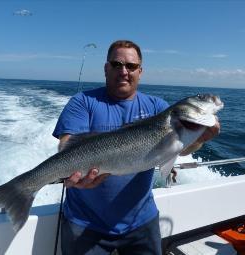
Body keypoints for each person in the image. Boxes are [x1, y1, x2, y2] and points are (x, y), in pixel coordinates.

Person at [53, 40, 220, 255]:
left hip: (141, 222)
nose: (124, 71)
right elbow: (67, 146)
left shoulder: (158, 108)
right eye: (117, 64)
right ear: (106, 68)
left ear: (140, 71)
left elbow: (179, 149)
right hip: (85, 223)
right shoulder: (82, 101)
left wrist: (201, 138)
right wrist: (74, 173)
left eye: (131, 66)